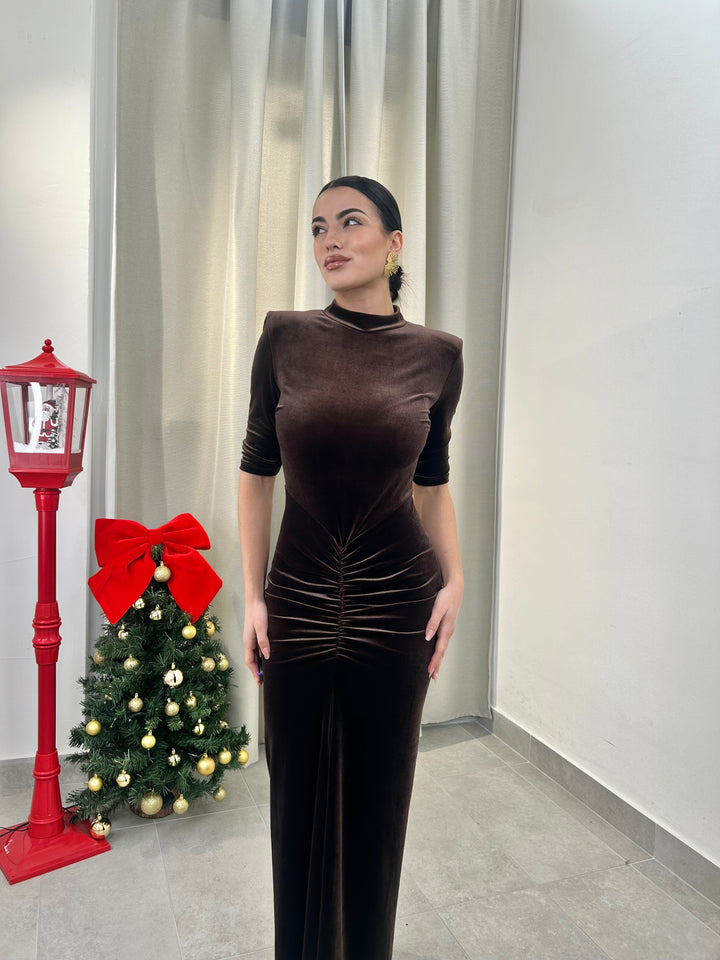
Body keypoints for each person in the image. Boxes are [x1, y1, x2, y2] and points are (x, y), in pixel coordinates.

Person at [238, 175, 464, 960]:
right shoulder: (284, 337)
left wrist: (457, 580)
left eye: (349, 222)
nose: (329, 239)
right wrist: (254, 596)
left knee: (379, 806)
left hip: (398, 605)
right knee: (295, 802)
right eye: (317, 227)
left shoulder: (439, 355)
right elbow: (255, 471)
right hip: (296, 602)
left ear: (394, 243)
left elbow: (432, 484)